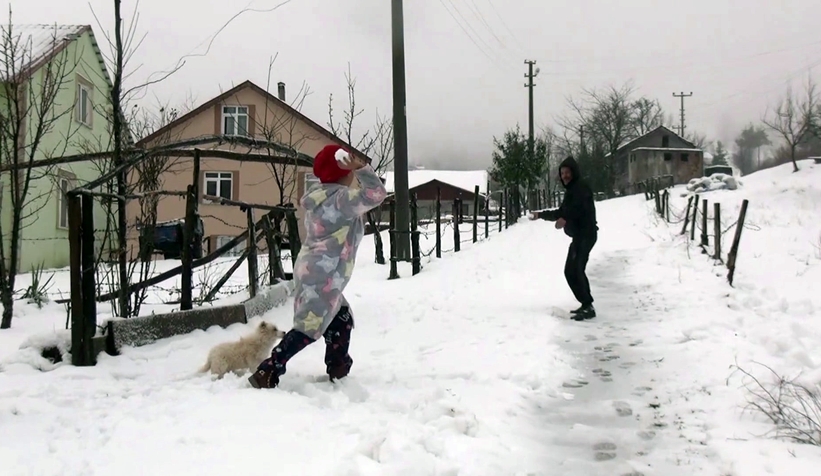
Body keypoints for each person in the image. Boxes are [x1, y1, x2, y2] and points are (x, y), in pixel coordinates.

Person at [248, 144, 387, 389]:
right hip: (324, 273)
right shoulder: (341, 199)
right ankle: (269, 369)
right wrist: (363, 169)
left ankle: (338, 366)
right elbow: (376, 194)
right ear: (343, 171)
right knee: (308, 327)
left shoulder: (319, 197)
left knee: (341, 316)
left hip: (314, 269)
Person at [528, 156, 598, 321]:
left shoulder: (581, 188)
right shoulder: (571, 191)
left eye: (567, 172)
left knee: (577, 269)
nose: (565, 175)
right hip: (579, 237)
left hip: (586, 235)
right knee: (570, 271)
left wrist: (567, 219)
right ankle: (585, 304)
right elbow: (562, 212)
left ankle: (588, 306)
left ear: (574, 172)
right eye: (562, 173)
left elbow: (579, 209)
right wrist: (541, 215)